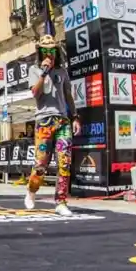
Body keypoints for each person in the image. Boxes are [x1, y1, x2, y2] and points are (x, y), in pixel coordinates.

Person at [24, 35, 81, 216]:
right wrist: (44, 73)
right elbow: (35, 93)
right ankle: (31, 191)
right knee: (41, 163)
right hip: (44, 121)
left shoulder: (62, 72)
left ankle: (61, 201)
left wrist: (75, 117)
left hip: (62, 120)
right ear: (40, 52)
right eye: (46, 51)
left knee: (64, 162)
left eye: (52, 50)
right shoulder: (34, 70)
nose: (50, 54)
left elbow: (68, 96)